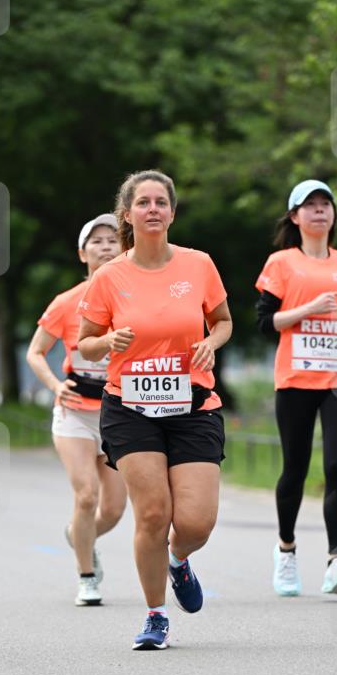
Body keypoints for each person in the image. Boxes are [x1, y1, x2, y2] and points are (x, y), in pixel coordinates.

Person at [78, 170, 232, 650]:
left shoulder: (198, 265)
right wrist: (107, 340)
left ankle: (178, 559)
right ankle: (155, 615)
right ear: (128, 214)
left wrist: (210, 343)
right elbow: (84, 344)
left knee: (195, 523)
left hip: (192, 404)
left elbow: (223, 322)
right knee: (152, 514)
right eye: (142, 202)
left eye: (160, 202)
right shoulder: (109, 277)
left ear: (171, 211)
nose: (152, 209)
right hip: (131, 407)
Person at [255, 179, 337, 597]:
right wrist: (307, 308)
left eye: (326, 204)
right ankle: (286, 550)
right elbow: (263, 322)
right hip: (295, 379)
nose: (320, 211)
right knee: (295, 468)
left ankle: (336, 561)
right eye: (310, 205)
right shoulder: (281, 263)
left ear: (333, 215)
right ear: (295, 217)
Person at [26, 214, 127, 606]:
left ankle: (79, 536)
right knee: (87, 495)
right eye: (96, 241)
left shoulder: (132, 299)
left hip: (119, 412)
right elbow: (35, 352)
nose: (105, 247)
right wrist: (54, 385)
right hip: (75, 413)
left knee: (115, 509)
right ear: (82, 253)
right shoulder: (67, 303)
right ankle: (86, 576)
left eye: (112, 240)